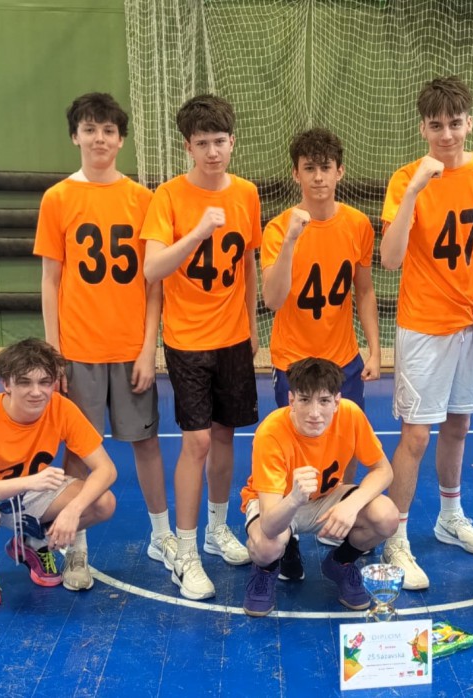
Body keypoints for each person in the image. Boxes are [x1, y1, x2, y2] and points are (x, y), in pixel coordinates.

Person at [34, 92, 170, 592]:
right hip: (78, 350)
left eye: (108, 130)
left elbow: (154, 283)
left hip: (130, 347)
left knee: (146, 444)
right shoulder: (57, 198)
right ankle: (76, 546)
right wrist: (54, 354)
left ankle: (162, 536)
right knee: (78, 453)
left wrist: (148, 348)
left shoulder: (143, 199)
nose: (99, 138)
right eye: (89, 129)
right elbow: (51, 280)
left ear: (121, 139)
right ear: (75, 136)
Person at [379, 76, 473, 590]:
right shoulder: (404, 178)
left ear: (469, 123)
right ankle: (396, 538)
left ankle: (450, 517)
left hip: (469, 323)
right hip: (424, 325)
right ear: (422, 128)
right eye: (436, 125)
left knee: (459, 426)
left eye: (454, 123)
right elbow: (390, 259)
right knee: (415, 435)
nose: (446, 134)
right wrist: (414, 191)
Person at [141, 94, 259, 600]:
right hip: (187, 340)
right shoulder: (167, 196)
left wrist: (252, 326)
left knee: (226, 437)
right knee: (197, 443)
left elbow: (248, 261)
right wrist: (196, 232)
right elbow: (153, 269)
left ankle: (216, 527)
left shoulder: (247, 193)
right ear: (188, 147)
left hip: (234, 338)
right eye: (203, 143)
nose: (213, 152)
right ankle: (185, 550)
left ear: (233, 142)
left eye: (220, 141)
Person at [261, 127, 381, 573]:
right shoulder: (278, 228)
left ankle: (340, 527)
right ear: (296, 174)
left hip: (343, 359)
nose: (317, 177)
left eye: (325, 168)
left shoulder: (357, 224)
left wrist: (374, 348)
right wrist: (292, 240)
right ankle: (289, 536)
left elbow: (364, 290)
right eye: (308, 168)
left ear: (339, 171)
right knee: (293, 451)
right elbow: (272, 299)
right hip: (294, 362)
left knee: (343, 444)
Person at [0, 339, 117, 610]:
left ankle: (32, 542)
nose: (36, 392)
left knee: (103, 503)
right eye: (24, 382)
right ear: (6, 384)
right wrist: (30, 482)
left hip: (30, 492)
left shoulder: (61, 408)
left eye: (45, 382)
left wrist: (73, 510)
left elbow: (106, 469)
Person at [239, 358, 398, 616]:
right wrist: (294, 499)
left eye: (324, 401)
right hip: (279, 503)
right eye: (305, 400)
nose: (314, 413)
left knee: (387, 517)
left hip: (325, 498)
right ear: (291, 400)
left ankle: (340, 563)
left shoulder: (350, 414)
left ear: (336, 402)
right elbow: (269, 524)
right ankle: (266, 570)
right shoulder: (270, 432)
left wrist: (351, 504)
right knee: (267, 546)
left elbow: (384, 471)